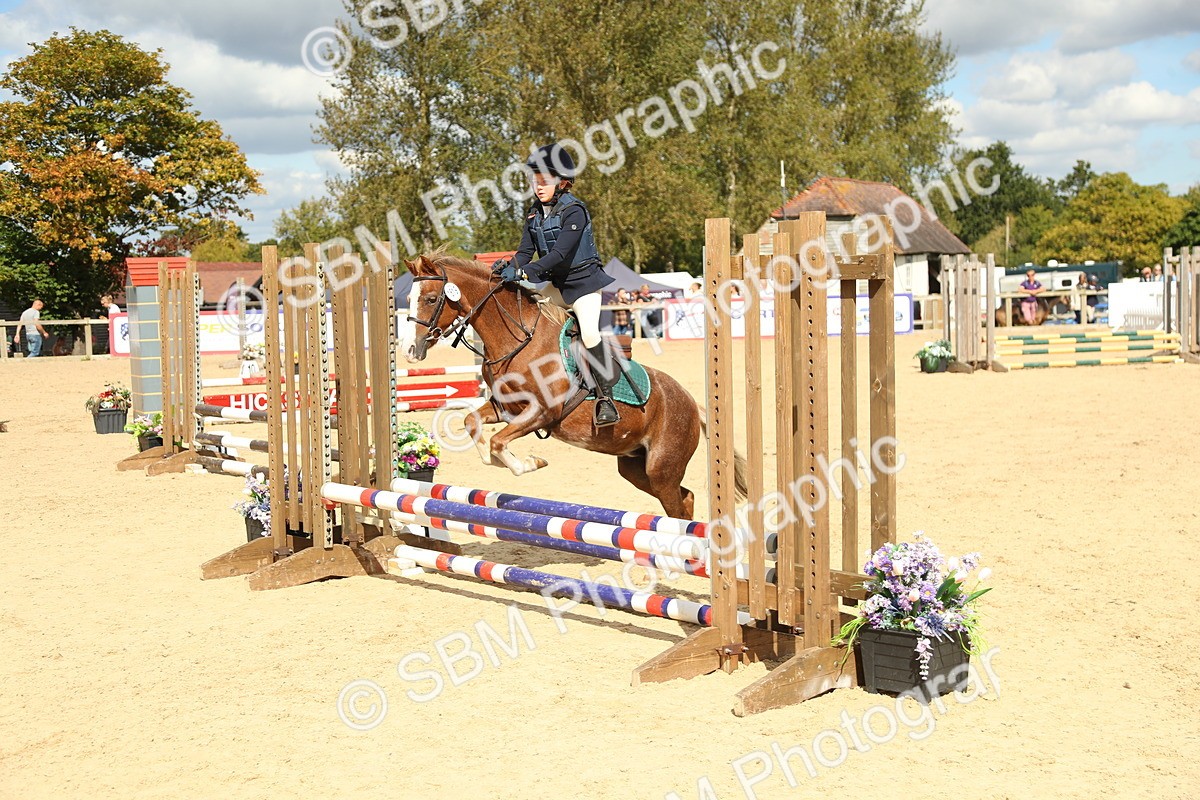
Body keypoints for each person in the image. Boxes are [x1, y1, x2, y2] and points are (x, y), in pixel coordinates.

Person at [491, 143, 619, 426]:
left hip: (584, 286)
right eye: (534, 181)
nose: (538, 186)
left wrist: (525, 274)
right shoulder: (533, 213)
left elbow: (559, 254)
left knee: (588, 335)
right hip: (557, 288)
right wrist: (508, 267)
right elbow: (525, 253)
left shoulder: (575, 211)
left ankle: (605, 399)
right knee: (528, 320)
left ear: (562, 183)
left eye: (544, 181)